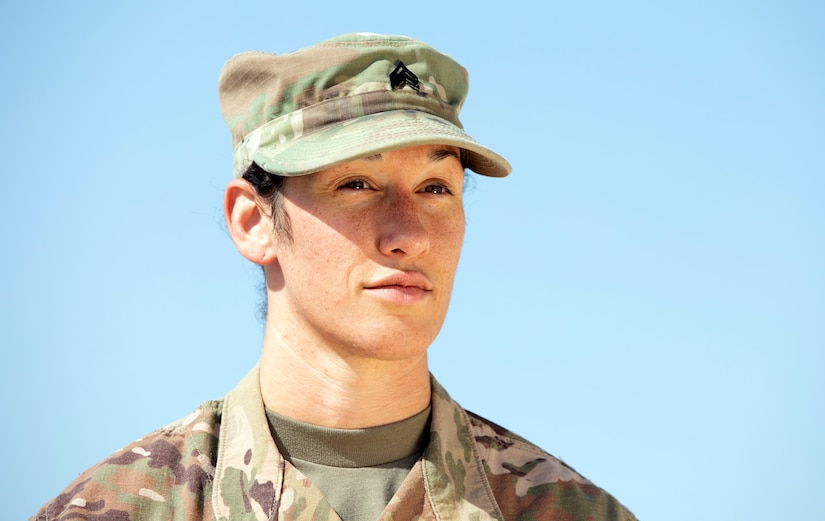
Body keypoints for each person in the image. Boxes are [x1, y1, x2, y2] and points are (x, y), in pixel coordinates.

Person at [33, 33, 637, 521]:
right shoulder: (119, 509)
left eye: (435, 189)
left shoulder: (569, 511)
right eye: (355, 185)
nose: (411, 233)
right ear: (253, 222)